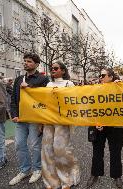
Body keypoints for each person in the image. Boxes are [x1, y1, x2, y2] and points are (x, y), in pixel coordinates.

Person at [9, 53, 49, 186]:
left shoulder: (43, 79)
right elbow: (14, 99)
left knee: (35, 145)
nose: (26, 63)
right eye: (25, 61)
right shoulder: (19, 79)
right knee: (19, 144)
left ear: (36, 64)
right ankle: (24, 170)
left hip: (34, 119)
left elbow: (45, 98)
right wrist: (14, 114)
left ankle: (37, 169)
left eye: (29, 61)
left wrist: (30, 89)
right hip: (20, 119)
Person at [42, 61, 80, 189]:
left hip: (62, 120)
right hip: (48, 120)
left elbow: (74, 101)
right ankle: (51, 181)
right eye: (51, 68)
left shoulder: (69, 84)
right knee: (47, 150)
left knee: (61, 150)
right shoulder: (48, 84)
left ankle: (67, 180)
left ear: (63, 70)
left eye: (56, 68)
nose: (53, 70)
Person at [87, 68, 123, 189]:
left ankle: (117, 176)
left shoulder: (119, 87)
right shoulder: (95, 89)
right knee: (97, 151)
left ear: (111, 77)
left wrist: (121, 86)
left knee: (115, 151)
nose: (100, 77)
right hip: (99, 124)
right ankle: (95, 174)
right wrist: (95, 121)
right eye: (100, 75)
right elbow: (90, 105)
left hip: (115, 125)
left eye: (103, 75)